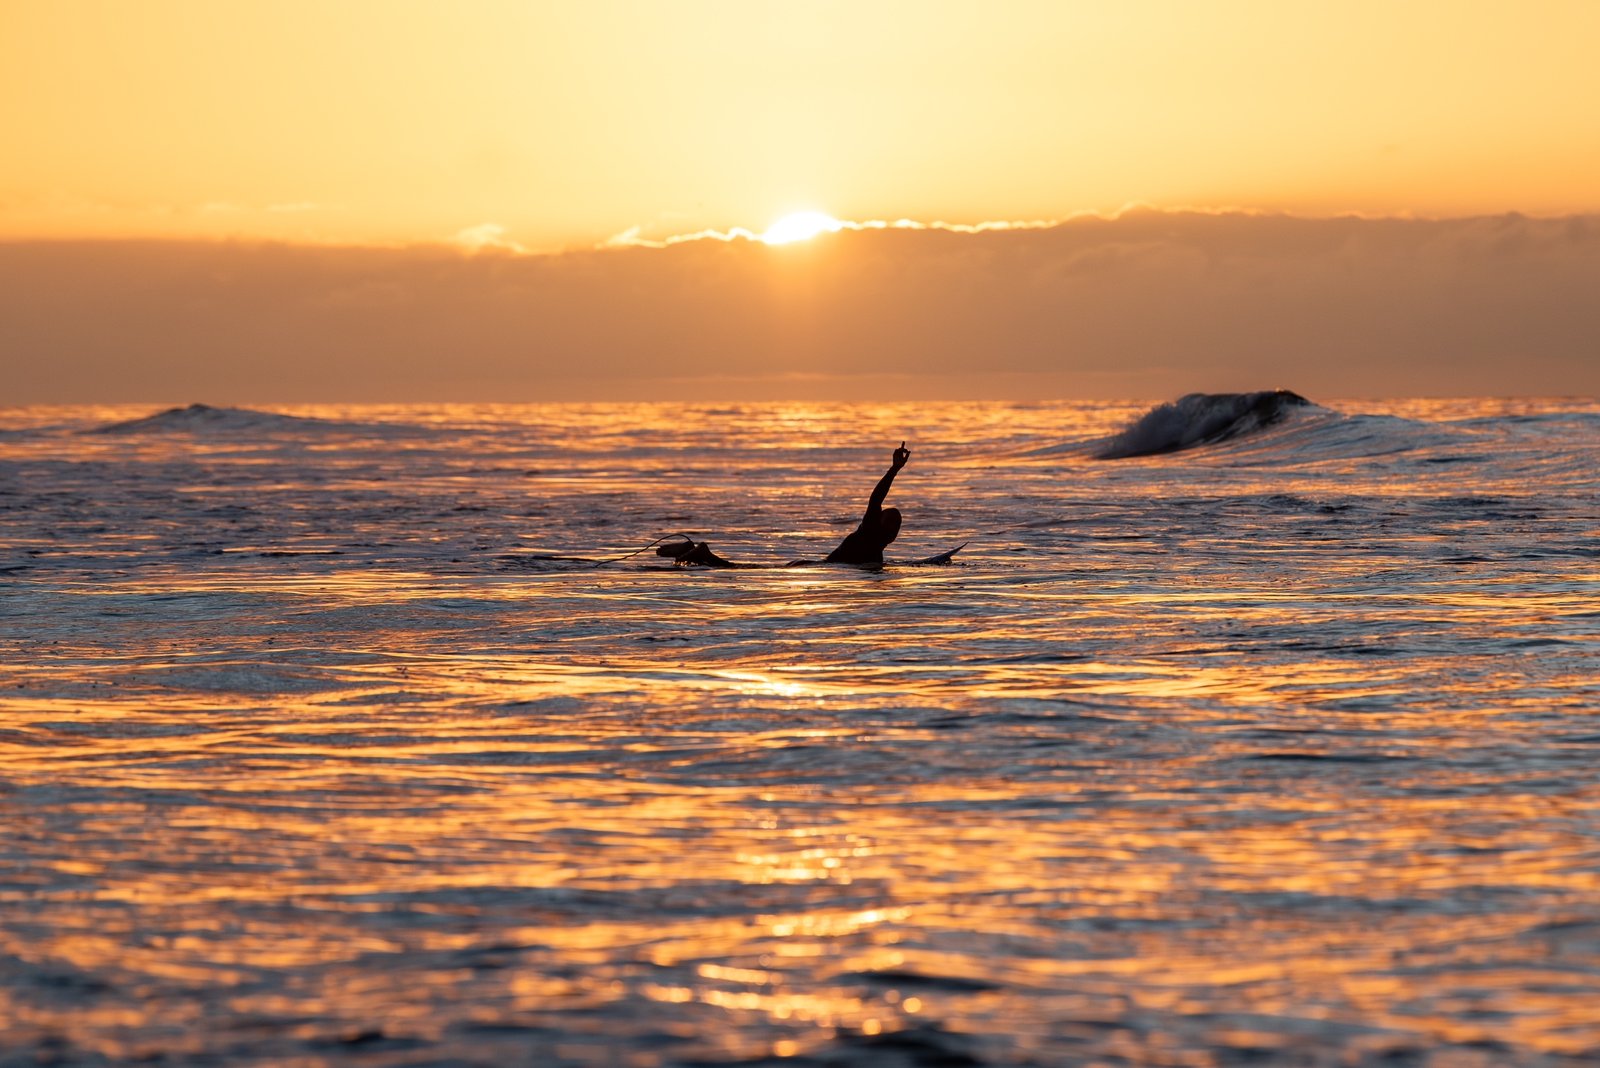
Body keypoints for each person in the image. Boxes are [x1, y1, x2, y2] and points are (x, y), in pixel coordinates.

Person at [659, 442, 911, 568]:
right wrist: (894, 469)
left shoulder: (877, 554)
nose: (894, 529)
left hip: (813, 567)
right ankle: (703, 555)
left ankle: (700, 554)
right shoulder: (870, 534)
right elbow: (876, 498)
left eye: (896, 526)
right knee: (743, 570)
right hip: (813, 569)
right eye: (891, 522)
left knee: (741, 569)